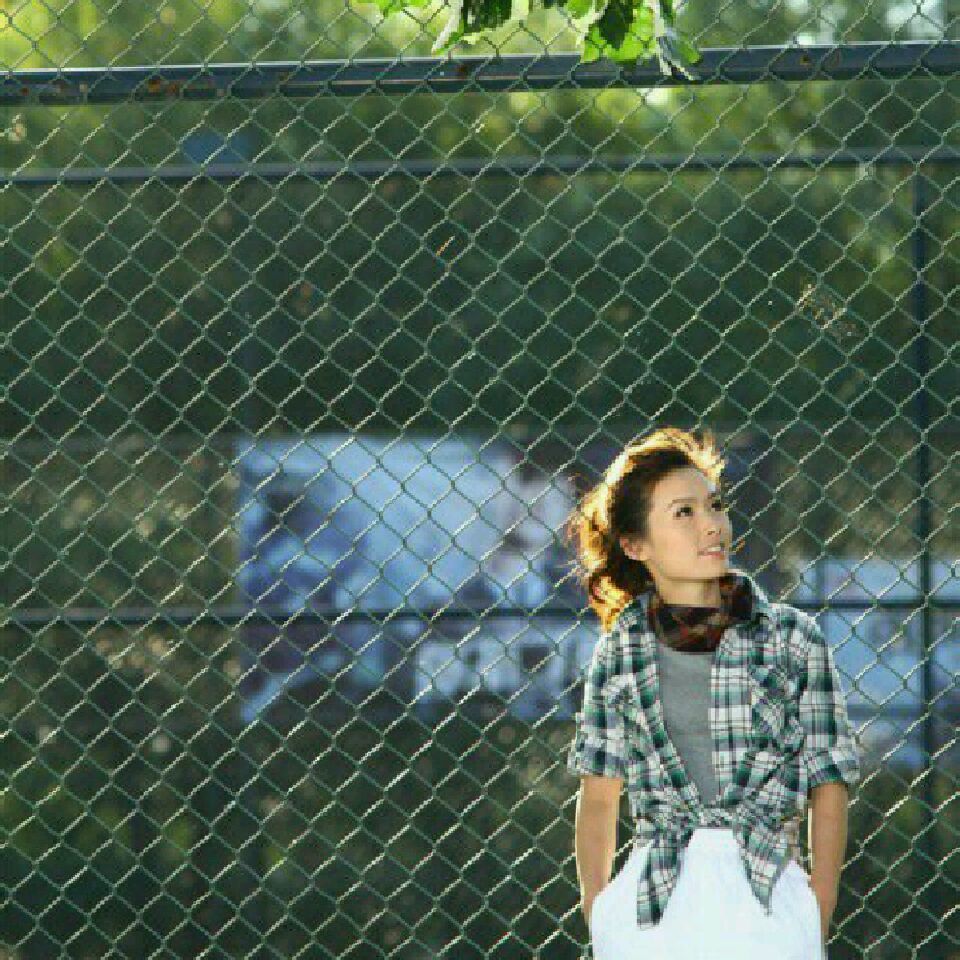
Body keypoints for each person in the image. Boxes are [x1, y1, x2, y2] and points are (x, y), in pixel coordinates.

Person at [563, 426, 861, 959]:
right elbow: (600, 794)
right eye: (684, 513)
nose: (712, 525)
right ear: (635, 545)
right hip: (652, 908)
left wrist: (816, 907)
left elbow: (829, 782)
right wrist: (601, 913)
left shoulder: (793, 639)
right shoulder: (620, 650)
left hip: (769, 898)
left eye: (715, 506)